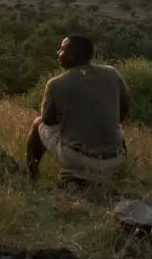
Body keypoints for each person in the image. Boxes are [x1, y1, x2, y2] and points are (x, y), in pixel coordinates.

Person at [26, 35, 130, 183]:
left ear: (72, 54)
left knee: (37, 124)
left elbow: (48, 120)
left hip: (79, 159)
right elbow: (125, 106)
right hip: (116, 159)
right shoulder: (112, 73)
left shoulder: (56, 84)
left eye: (62, 49)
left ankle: (32, 176)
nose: (58, 53)